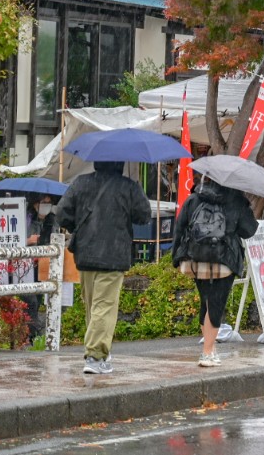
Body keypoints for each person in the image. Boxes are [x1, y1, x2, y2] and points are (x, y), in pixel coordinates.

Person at [55, 161, 150, 375]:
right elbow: (144, 215)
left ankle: (99, 352)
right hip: (113, 255)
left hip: (85, 254)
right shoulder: (128, 186)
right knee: (104, 306)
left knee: (93, 307)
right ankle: (95, 356)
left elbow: (62, 213)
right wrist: (136, 188)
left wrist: (81, 228)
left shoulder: (81, 183)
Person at [171, 176, 257, 366]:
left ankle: (210, 348)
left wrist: (176, 257)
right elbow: (249, 230)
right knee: (216, 304)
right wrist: (246, 206)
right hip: (224, 261)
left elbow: (179, 228)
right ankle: (207, 352)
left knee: (207, 302)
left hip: (196, 258)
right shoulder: (236, 200)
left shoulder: (194, 198)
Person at [23, 193, 58, 345]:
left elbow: (56, 239)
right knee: (30, 300)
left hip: (44, 264)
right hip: (25, 265)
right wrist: (29, 240)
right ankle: (31, 334)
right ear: (35, 204)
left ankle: (35, 335)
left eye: (49, 203)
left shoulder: (52, 220)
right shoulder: (26, 218)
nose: (46, 206)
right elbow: (14, 239)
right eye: (43, 202)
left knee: (39, 299)